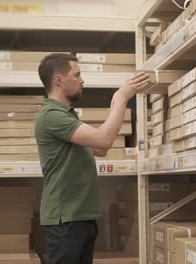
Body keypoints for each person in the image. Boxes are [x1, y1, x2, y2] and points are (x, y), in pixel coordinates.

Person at [35, 53, 149, 264]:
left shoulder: (66, 115)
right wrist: (121, 98)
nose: (82, 80)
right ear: (59, 80)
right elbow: (103, 140)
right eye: (77, 74)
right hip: (65, 220)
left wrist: (117, 102)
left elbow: (100, 149)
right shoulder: (51, 115)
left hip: (80, 217)